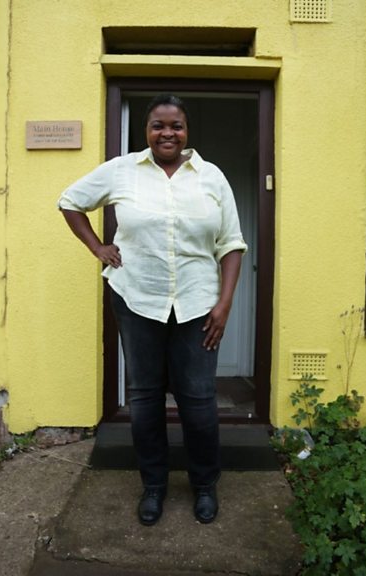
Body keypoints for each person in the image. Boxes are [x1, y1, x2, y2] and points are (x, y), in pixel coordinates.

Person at [57, 94, 247, 526]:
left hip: (198, 304)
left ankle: (204, 485)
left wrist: (224, 304)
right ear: (146, 130)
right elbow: (69, 201)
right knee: (144, 398)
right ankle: (154, 486)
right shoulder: (122, 170)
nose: (167, 133)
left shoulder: (211, 177)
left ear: (187, 130)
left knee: (198, 399)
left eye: (176, 125)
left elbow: (232, 244)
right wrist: (98, 247)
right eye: (158, 125)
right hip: (137, 298)